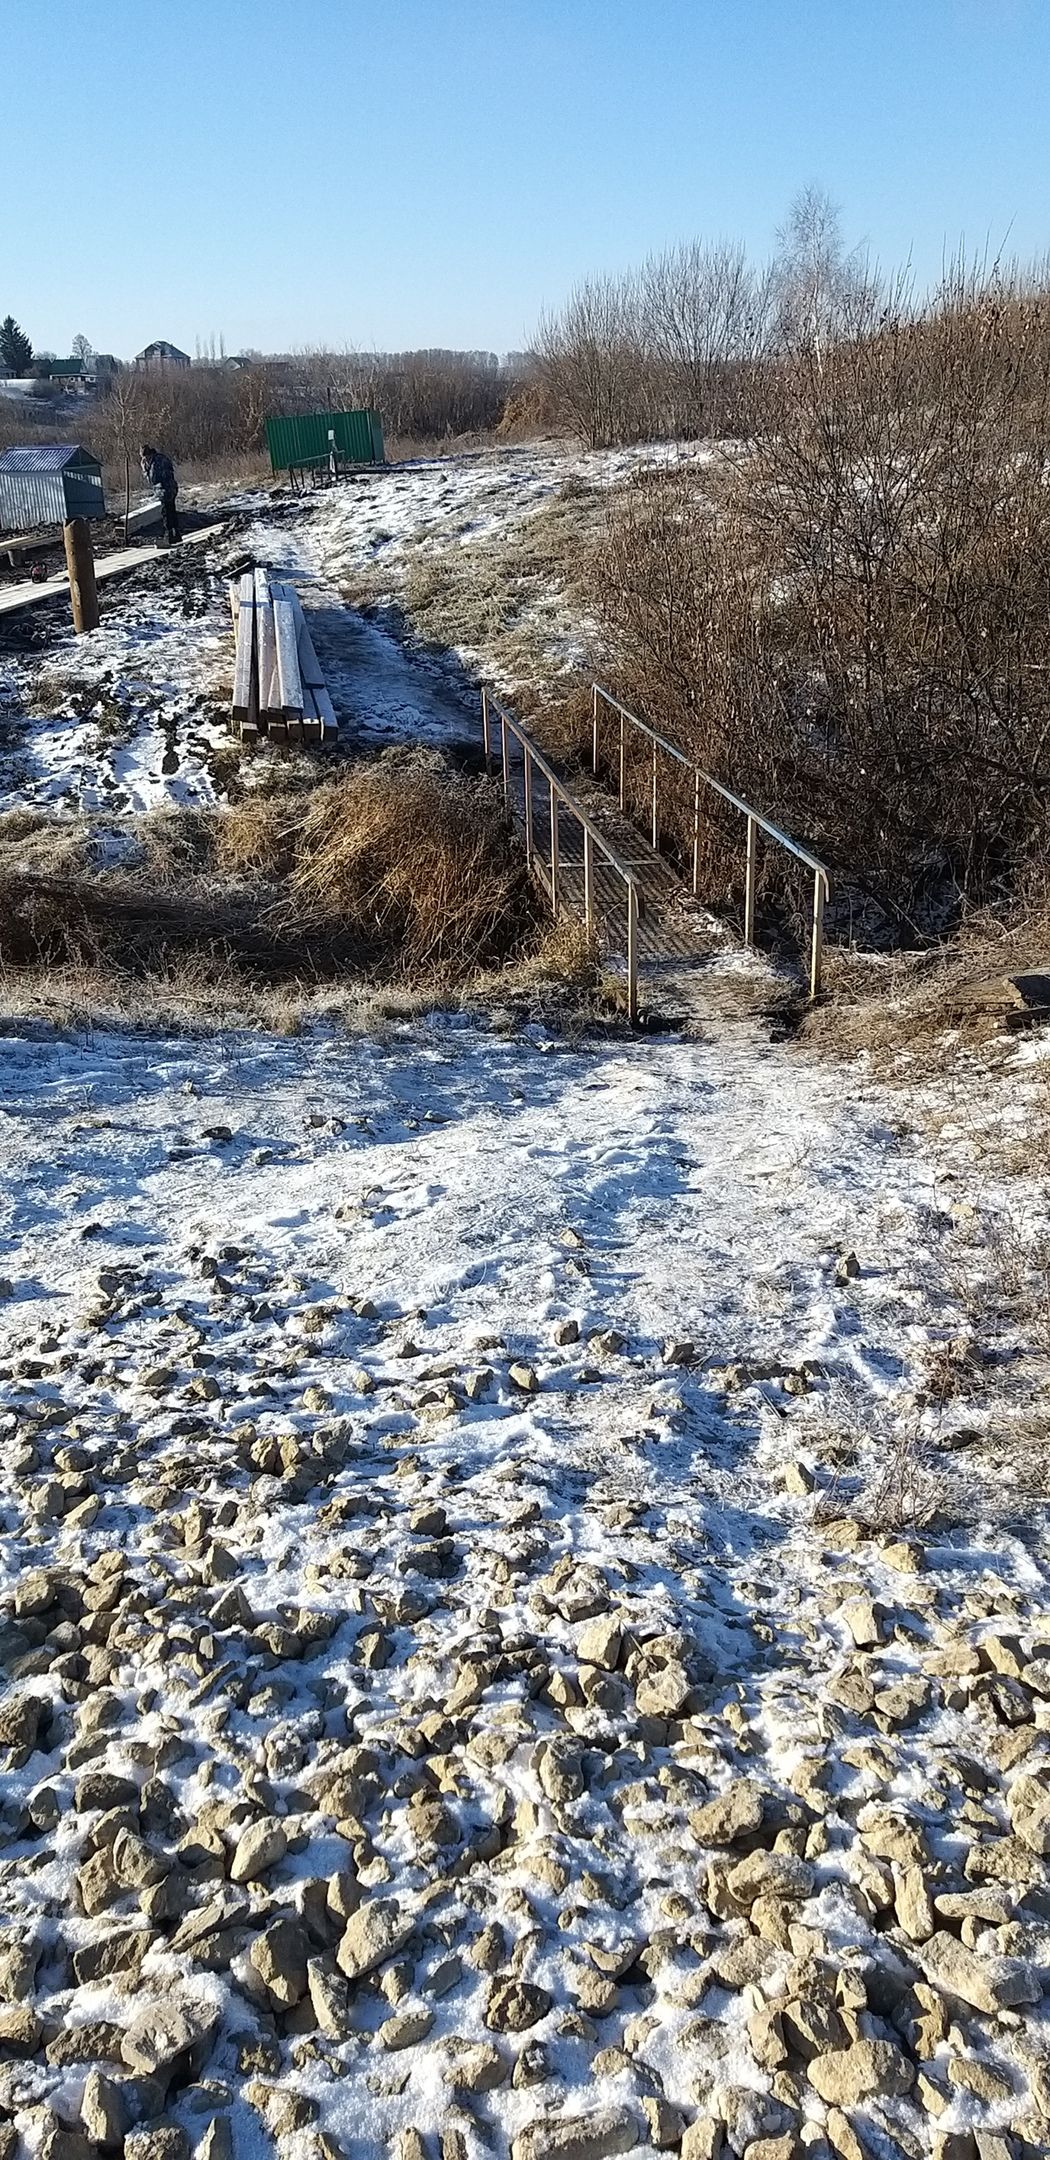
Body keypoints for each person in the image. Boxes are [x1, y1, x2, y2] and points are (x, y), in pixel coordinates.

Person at [140, 443, 181, 544]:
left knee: (166, 511)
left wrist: (145, 469)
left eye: (146, 457)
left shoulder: (158, 461)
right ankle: (175, 533)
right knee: (170, 510)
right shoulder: (154, 460)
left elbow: (154, 478)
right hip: (164, 489)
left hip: (166, 488)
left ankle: (170, 534)